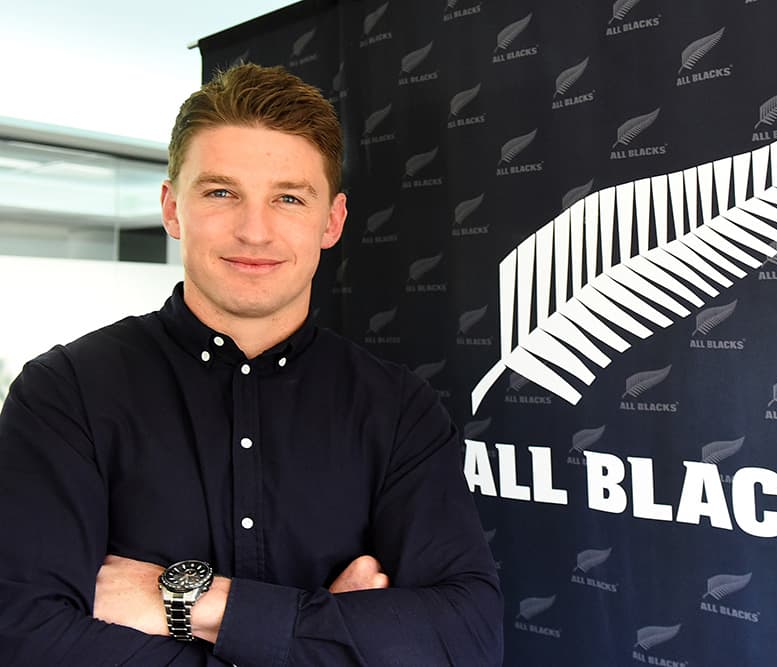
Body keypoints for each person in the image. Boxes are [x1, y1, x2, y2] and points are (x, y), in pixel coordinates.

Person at [0, 63, 503, 665]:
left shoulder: (399, 411)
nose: (255, 231)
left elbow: (467, 639)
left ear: (332, 221)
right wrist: (327, 632)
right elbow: (25, 638)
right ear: (171, 209)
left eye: (289, 198)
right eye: (220, 193)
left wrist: (198, 603)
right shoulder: (64, 394)